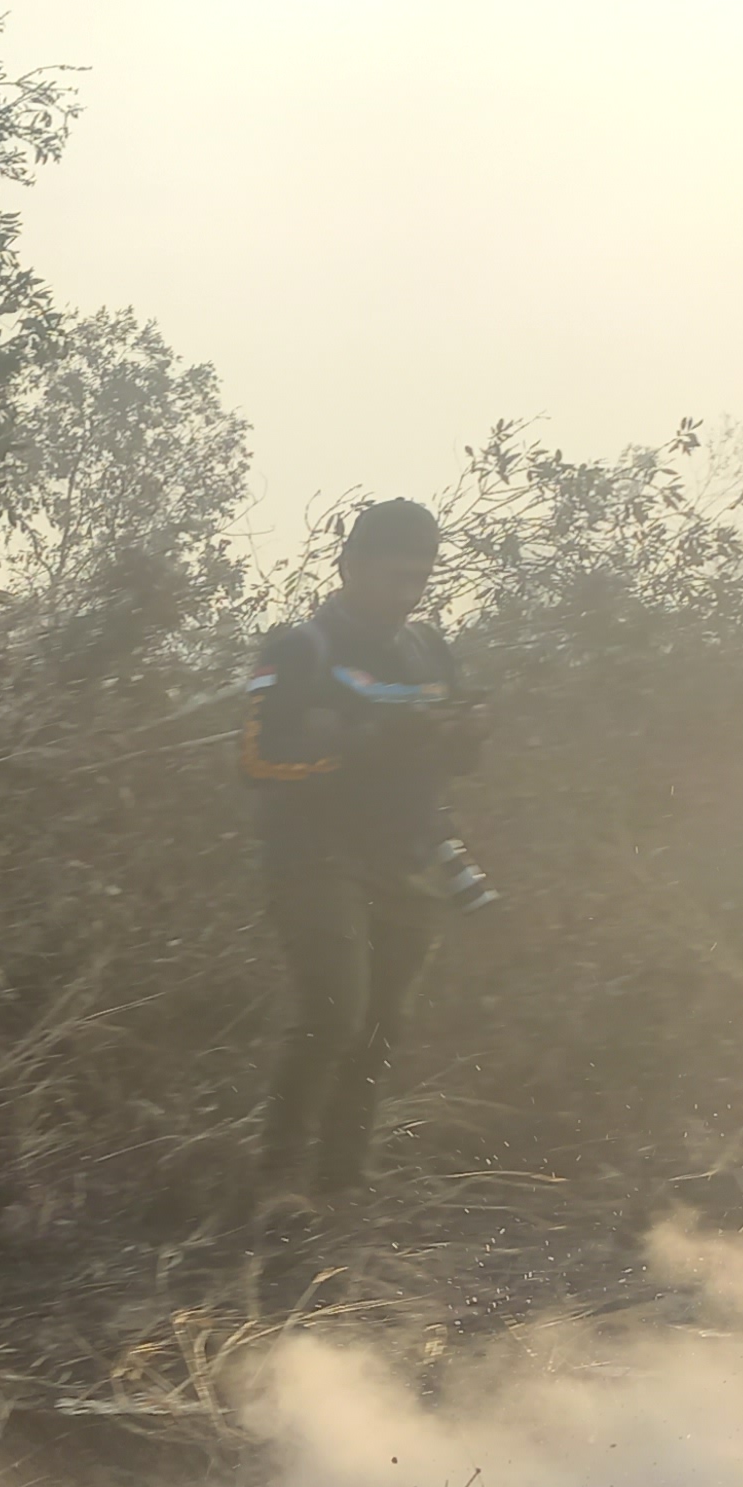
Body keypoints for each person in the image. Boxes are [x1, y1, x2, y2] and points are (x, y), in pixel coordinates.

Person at [241, 497, 478, 1225]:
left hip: (408, 854)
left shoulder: (429, 648)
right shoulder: (298, 649)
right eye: (393, 576)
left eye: (420, 578)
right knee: (335, 1011)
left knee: (381, 1025)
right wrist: (362, 744)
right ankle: (278, 1180)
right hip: (315, 855)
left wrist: (462, 738)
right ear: (348, 567)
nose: (407, 593)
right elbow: (256, 761)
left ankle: (343, 1182)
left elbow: (453, 758)